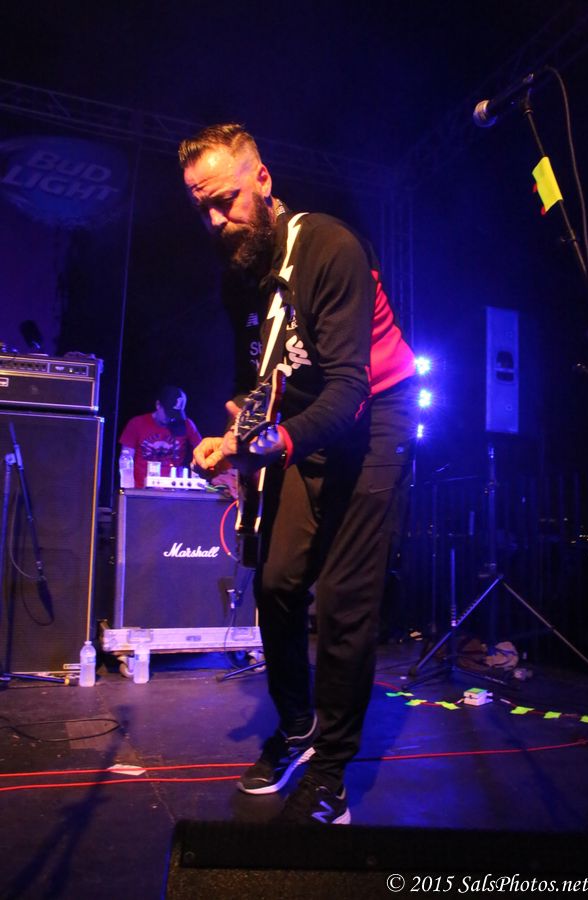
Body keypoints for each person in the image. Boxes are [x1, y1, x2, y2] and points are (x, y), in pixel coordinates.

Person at [179, 123, 416, 825]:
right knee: (277, 582)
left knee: (344, 601)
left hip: (373, 417)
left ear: (263, 179)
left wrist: (270, 444)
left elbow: (348, 389)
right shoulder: (239, 272)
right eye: (202, 208)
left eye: (224, 200)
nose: (215, 220)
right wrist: (232, 437)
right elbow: (255, 380)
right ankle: (298, 726)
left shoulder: (330, 247)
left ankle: (333, 772)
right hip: (301, 422)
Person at [118, 385, 202, 488]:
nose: (171, 419)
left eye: (175, 415)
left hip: (174, 490)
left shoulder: (186, 425)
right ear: (158, 405)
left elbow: (202, 451)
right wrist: (128, 489)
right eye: (168, 413)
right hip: (141, 490)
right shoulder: (136, 423)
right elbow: (126, 458)